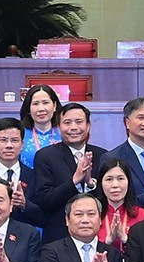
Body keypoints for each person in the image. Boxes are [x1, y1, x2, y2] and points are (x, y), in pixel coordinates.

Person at [33, 102, 102, 241]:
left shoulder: (102, 156)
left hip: (97, 238)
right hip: (58, 237)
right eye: (67, 123)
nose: (73, 127)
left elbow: (106, 200)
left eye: (79, 122)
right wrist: (74, 182)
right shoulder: (45, 156)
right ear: (58, 127)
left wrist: (90, 185)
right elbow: (44, 200)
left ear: (88, 126)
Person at [18, 83, 64, 167]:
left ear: (54, 106)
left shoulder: (64, 133)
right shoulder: (20, 135)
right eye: (35, 104)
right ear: (28, 108)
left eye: (45, 103)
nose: (41, 109)